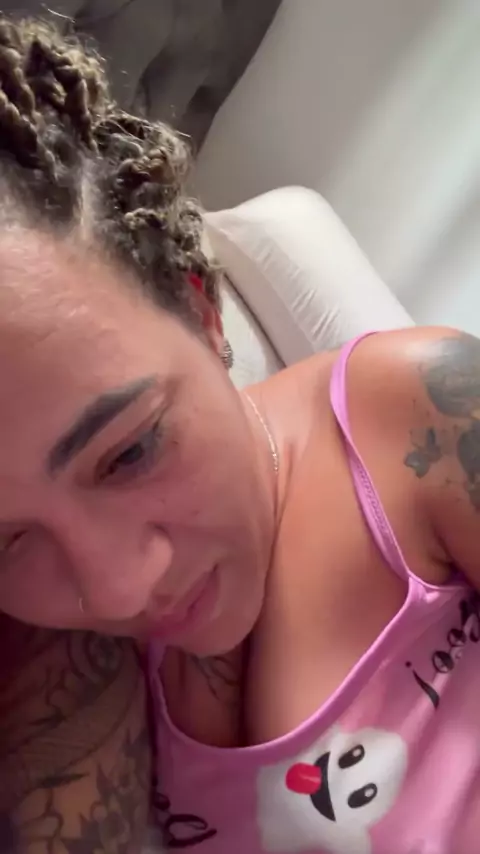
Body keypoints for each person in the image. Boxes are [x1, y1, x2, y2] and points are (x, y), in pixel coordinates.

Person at [1, 14, 480, 854]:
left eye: (130, 451)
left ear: (200, 308)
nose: (116, 593)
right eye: (5, 540)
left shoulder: (421, 416)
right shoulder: (49, 645)